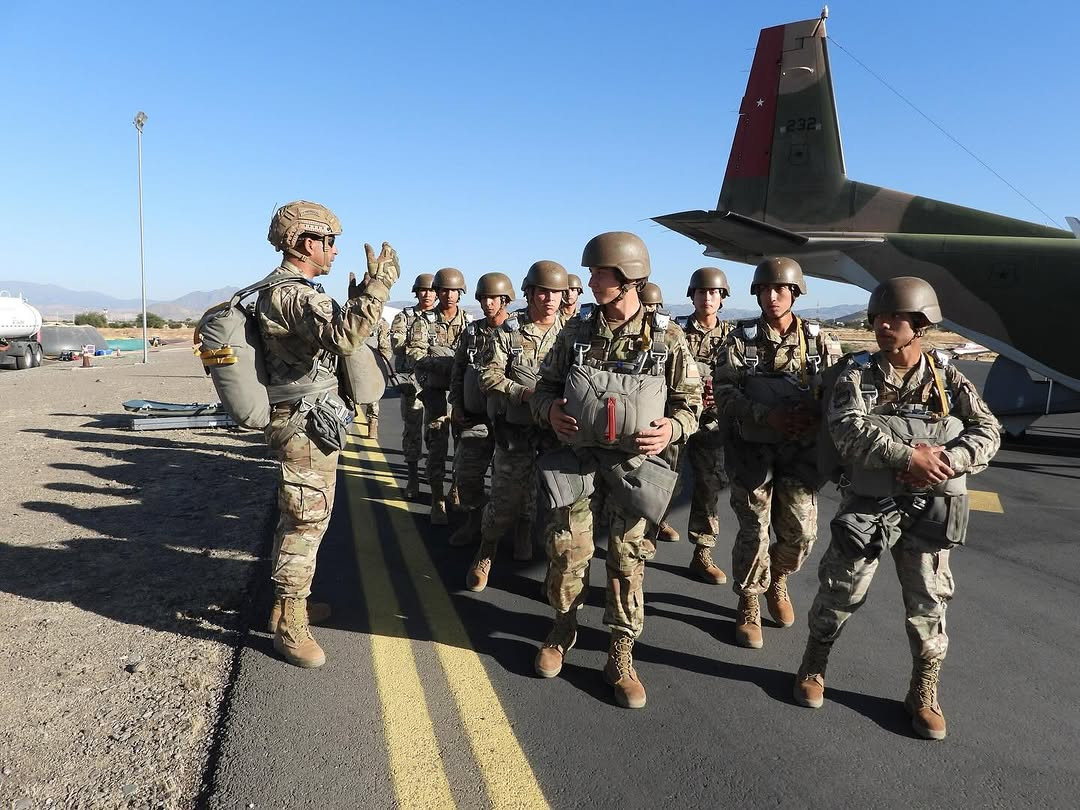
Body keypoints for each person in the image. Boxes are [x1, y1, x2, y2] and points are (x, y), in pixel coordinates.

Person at [793, 276, 1000, 741]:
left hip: (930, 509)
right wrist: (911, 456)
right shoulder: (856, 374)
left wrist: (947, 461)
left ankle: (923, 691)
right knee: (840, 591)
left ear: (920, 325)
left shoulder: (946, 377)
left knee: (929, 602)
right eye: (878, 319)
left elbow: (988, 430)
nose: (883, 326)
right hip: (870, 504)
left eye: (895, 319)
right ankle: (814, 665)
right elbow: (847, 428)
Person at [531, 232, 702, 709]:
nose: (588, 282)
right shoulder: (575, 333)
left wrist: (672, 428)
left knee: (628, 561)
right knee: (567, 551)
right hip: (579, 463)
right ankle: (562, 628)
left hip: (634, 468)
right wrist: (549, 412)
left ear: (627, 277)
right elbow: (543, 388)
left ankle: (620, 652)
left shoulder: (668, 337)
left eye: (598, 273)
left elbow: (691, 405)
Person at [259, 200, 398, 668]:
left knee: (298, 516)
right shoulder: (295, 294)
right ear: (304, 242)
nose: (335, 251)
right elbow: (344, 337)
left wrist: (357, 296)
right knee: (306, 521)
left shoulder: (295, 292)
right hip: (302, 424)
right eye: (330, 241)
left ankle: (284, 606)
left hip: (306, 418)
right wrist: (379, 286)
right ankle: (291, 626)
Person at [713, 257, 841, 649]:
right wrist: (769, 415)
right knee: (753, 529)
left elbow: (840, 395)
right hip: (752, 451)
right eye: (765, 290)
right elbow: (724, 393)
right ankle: (749, 599)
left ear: (795, 293)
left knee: (801, 535)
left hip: (800, 454)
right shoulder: (740, 340)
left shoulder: (820, 343)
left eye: (780, 290)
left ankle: (778, 577)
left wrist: (812, 415)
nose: (772, 297)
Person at [467, 260, 568, 590]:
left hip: (555, 434)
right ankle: (488, 549)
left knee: (558, 505)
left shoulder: (571, 333)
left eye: (556, 293)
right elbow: (488, 375)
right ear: (529, 293)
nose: (550, 299)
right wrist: (523, 393)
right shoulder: (509, 331)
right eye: (544, 292)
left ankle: (548, 564)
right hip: (517, 430)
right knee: (504, 498)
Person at [446, 273, 514, 546]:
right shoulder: (472, 332)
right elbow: (459, 370)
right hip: (476, 418)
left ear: (505, 300)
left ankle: (517, 532)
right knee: (466, 474)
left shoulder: (516, 331)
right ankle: (474, 520)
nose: (488, 303)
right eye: (484, 298)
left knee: (510, 482)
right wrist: (458, 405)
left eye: (493, 298)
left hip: (509, 420)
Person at [679, 267, 733, 582]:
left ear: (722, 298)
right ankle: (643, 539)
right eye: (702, 292)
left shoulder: (733, 337)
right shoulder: (675, 333)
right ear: (693, 296)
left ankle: (702, 552)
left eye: (714, 292)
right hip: (678, 418)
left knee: (708, 487)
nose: (708, 298)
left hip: (712, 425)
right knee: (661, 485)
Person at [406, 268, 471, 524]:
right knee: (436, 447)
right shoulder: (424, 321)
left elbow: (472, 355)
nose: (449, 296)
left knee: (464, 445)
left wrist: (443, 357)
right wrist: (447, 361)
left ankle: (456, 487)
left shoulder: (467, 322)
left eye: (454, 291)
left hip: (461, 394)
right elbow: (415, 353)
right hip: (434, 394)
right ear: (437, 291)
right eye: (444, 290)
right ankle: (437, 499)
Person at [389, 274, 437, 497]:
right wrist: (420, 350)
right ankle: (412, 478)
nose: (427, 294)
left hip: (438, 383)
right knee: (412, 431)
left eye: (431, 290)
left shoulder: (442, 318)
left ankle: (437, 477)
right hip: (413, 381)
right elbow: (397, 345)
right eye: (422, 290)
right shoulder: (404, 317)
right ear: (416, 293)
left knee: (437, 430)